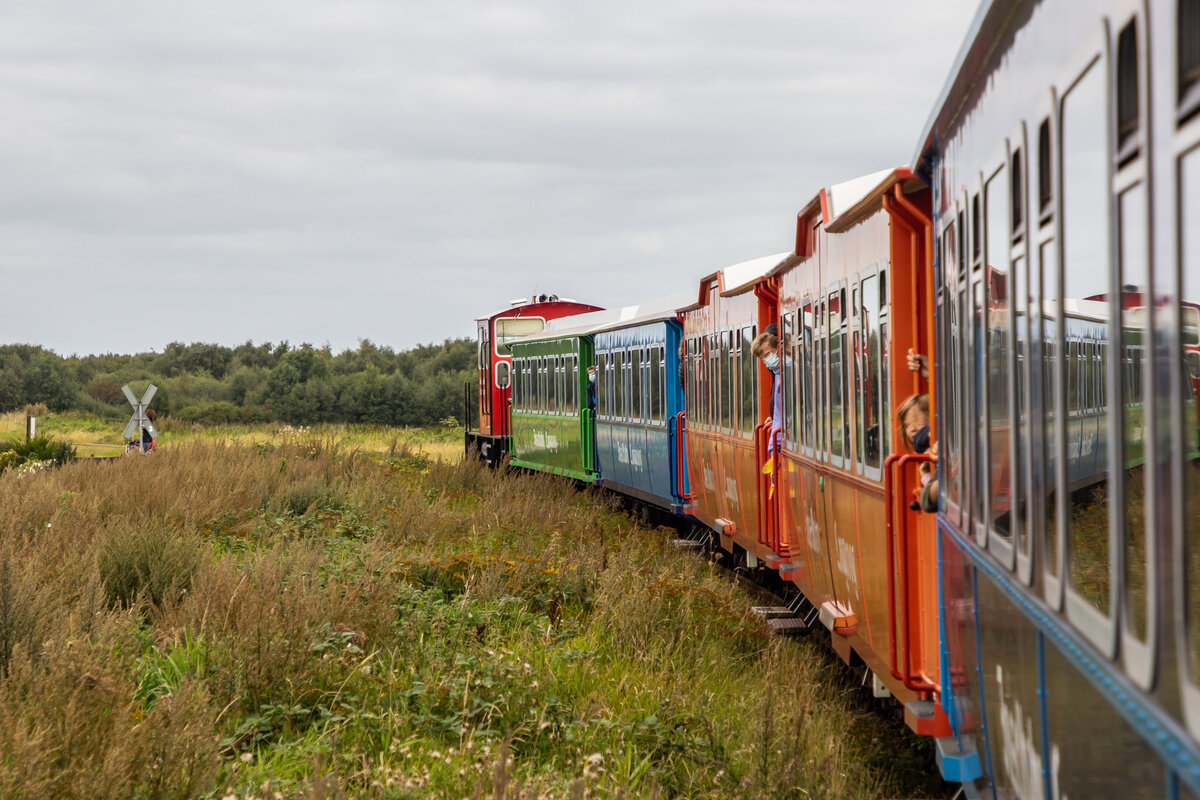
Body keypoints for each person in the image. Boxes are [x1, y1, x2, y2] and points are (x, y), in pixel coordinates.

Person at [751, 329, 783, 454]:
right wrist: (773, 417)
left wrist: (774, 447)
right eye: (763, 358)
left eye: (768, 354)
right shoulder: (777, 373)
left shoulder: (783, 374)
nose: (767, 360)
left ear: (778, 348)